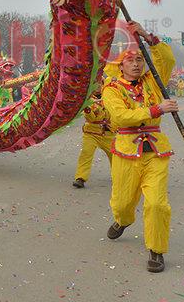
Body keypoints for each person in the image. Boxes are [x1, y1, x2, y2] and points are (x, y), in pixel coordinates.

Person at [102, 21, 176, 273]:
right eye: (130, 60)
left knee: (157, 204)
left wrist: (147, 36)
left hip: (155, 152)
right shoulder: (111, 90)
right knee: (123, 204)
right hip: (126, 152)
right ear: (120, 65)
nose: (136, 63)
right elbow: (121, 117)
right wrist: (157, 109)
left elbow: (166, 59)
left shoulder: (152, 82)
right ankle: (123, 221)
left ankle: (156, 250)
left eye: (139, 60)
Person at [72, 86, 113, 188]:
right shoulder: (88, 100)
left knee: (115, 156)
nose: (98, 86)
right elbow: (92, 118)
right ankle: (80, 178)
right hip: (91, 133)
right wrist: (87, 109)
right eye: (95, 83)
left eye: (100, 83)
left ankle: (118, 175)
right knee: (86, 153)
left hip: (109, 133)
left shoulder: (111, 95)